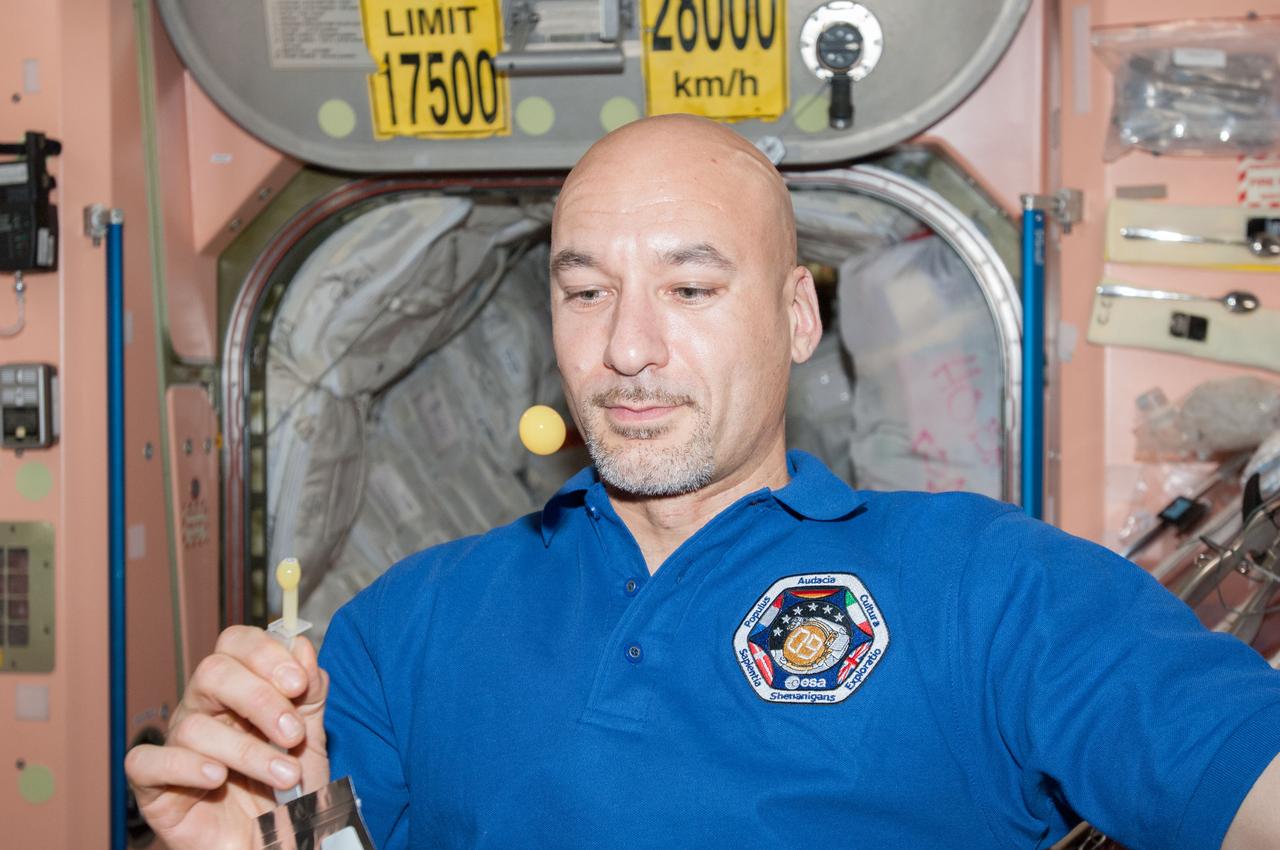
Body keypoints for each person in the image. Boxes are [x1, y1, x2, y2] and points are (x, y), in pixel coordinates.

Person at [126, 115, 1280, 849]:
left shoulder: (990, 588)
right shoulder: (402, 628)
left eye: (688, 289)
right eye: (585, 292)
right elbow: (316, 837)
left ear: (792, 318)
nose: (626, 347)